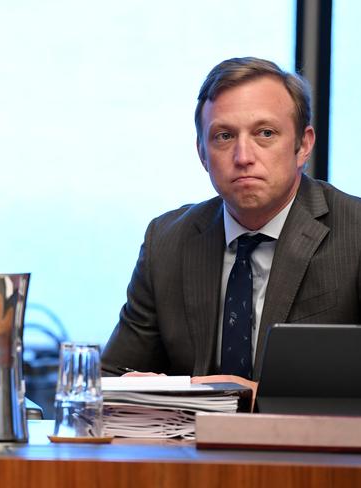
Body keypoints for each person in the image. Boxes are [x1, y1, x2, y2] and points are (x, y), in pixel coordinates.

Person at [102, 57, 361, 389]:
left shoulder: (353, 234)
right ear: (202, 153)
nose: (243, 157)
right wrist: (144, 389)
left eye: (265, 133)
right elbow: (110, 380)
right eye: (224, 137)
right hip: (192, 440)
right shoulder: (167, 241)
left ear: (303, 145)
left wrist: (256, 395)